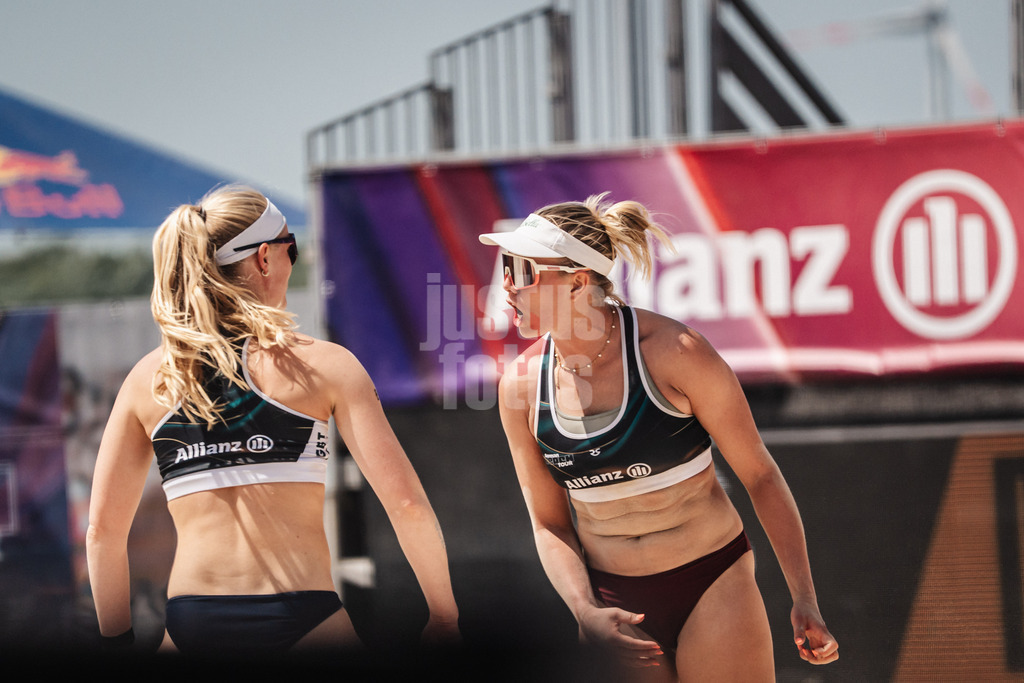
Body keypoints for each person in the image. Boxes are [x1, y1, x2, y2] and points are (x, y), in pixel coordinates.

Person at [86, 185, 459, 659]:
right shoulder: (324, 366)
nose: (291, 261)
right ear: (264, 258)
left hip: (192, 623)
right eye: (292, 248)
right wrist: (444, 616)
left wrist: (114, 641)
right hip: (304, 616)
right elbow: (406, 504)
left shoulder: (151, 379)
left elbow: (102, 530)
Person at [479, 196, 837, 681]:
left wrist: (805, 599)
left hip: (711, 582)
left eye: (523, 270)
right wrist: (585, 611)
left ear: (579, 281)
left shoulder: (674, 352)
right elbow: (548, 524)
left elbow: (760, 476)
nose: (506, 285)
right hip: (615, 605)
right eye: (505, 266)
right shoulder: (520, 388)